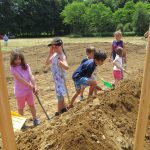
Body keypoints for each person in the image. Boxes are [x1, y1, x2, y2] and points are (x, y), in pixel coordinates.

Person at [10, 50, 40, 126]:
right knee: (21, 107)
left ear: (22, 58)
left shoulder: (26, 66)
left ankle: (35, 119)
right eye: (16, 59)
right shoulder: (12, 68)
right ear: (13, 60)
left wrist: (35, 86)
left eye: (19, 59)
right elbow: (20, 79)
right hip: (20, 92)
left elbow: (31, 76)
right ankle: (22, 123)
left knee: (32, 105)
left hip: (29, 91)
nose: (18, 61)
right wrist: (31, 86)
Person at [45, 37, 69, 116]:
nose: (54, 48)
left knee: (59, 95)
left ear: (61, 45)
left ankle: (59, 112)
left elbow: (66, 67)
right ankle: (63, 108)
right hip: (56, 79)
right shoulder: (54, 54)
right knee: (60, 94)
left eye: (56, 47)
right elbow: (47, 62)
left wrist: (62, 64)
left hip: (61, 79)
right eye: (52, 47)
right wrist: (50, 53)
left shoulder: (62, 56)